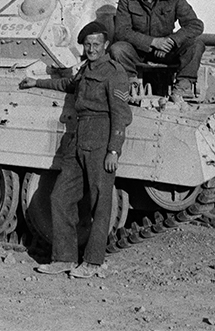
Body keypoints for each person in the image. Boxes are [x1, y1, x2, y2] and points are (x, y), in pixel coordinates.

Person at [19, 21, 132, 279]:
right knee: (60, 197)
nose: (91, 49)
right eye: (87, 45)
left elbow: (121, 115)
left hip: (101, 139)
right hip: (77, 138)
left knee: (99, 202)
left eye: (96, 45)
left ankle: (93, 262)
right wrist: (37, 82)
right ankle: (64, 258)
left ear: (105, 46)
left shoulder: (114, 73)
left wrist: (113, 150)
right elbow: (69, 84)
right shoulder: (86, 69)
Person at [109, 0, 205, 99]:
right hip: (138, 51)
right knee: (117, 49)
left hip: (167, 51)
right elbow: (122, 31)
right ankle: (131, 83)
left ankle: (183, 86)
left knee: (196, 44)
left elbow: (195, 24)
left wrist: (171, 41)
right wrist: (153, 42)